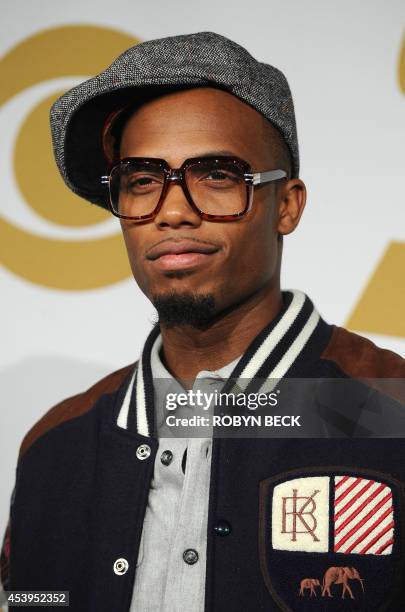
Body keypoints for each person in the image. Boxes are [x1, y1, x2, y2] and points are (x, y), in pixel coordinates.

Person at [1, 31, 405, 612]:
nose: (171, 210)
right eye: (141, 181)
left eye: (217, 175)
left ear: (287, 205)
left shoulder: (389, 410)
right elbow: (37, 601)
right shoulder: (53, 447)